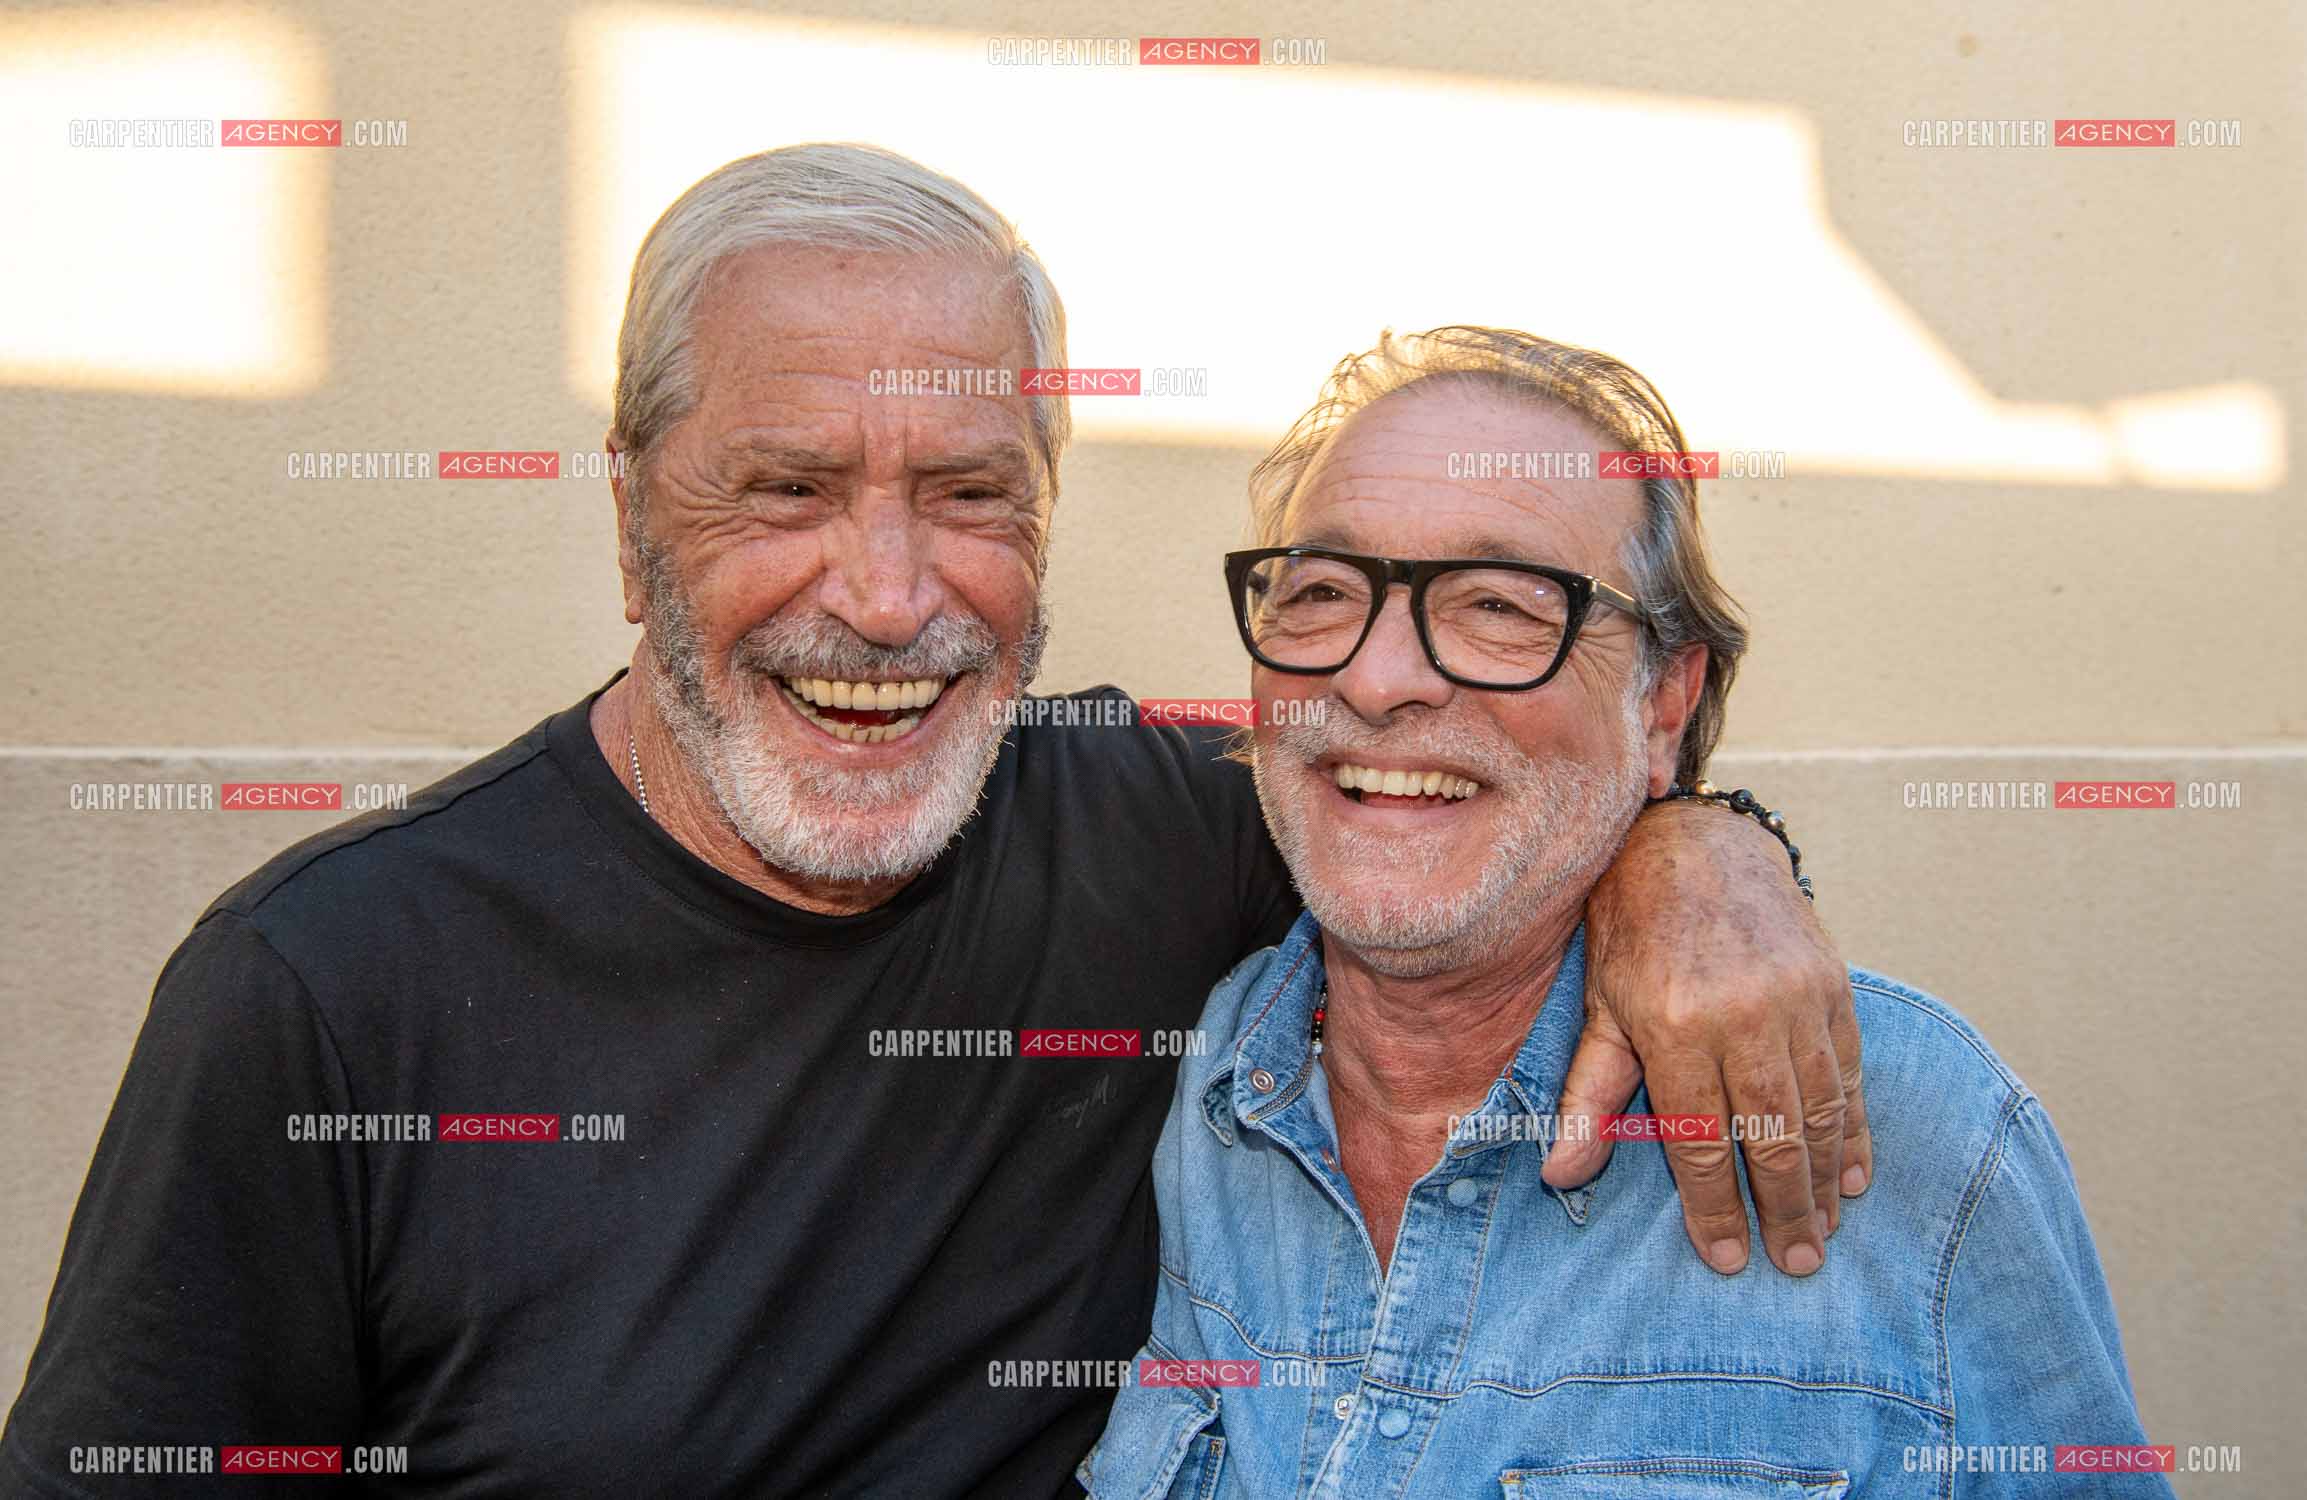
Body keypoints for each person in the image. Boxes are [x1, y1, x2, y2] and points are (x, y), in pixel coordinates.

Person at [1, 150, 1866, 1499]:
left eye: (969, 492)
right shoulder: (323, 989)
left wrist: (1692, 850)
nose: (888, 597)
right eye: (787, 487)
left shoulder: (1157, 824)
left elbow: (1438, 761)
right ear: (633, 509)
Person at [1079, 327, 2164, 1499]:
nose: (1379, 677)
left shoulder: (1904, 1128)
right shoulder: (1201, 1073)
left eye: (1502, 606)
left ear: (1664, 705)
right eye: (1325, 592)